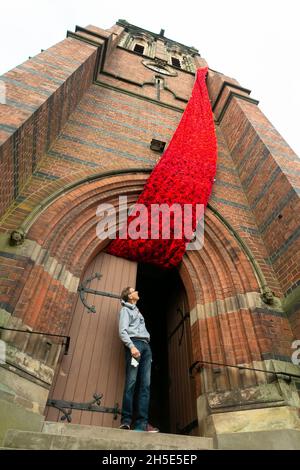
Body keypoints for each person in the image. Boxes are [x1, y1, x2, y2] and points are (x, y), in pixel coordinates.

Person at [118, 286, 159, 432]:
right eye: (134, 290)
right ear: (129, 296)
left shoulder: (137, 311)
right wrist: (131, 347)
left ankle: (142, 424)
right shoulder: (125, 310)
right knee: (131, 382)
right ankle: (126, 421)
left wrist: (148, 353)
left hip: (146, 347)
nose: (137, 292)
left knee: (145, 386)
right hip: (135, 345)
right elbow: (122, 331)